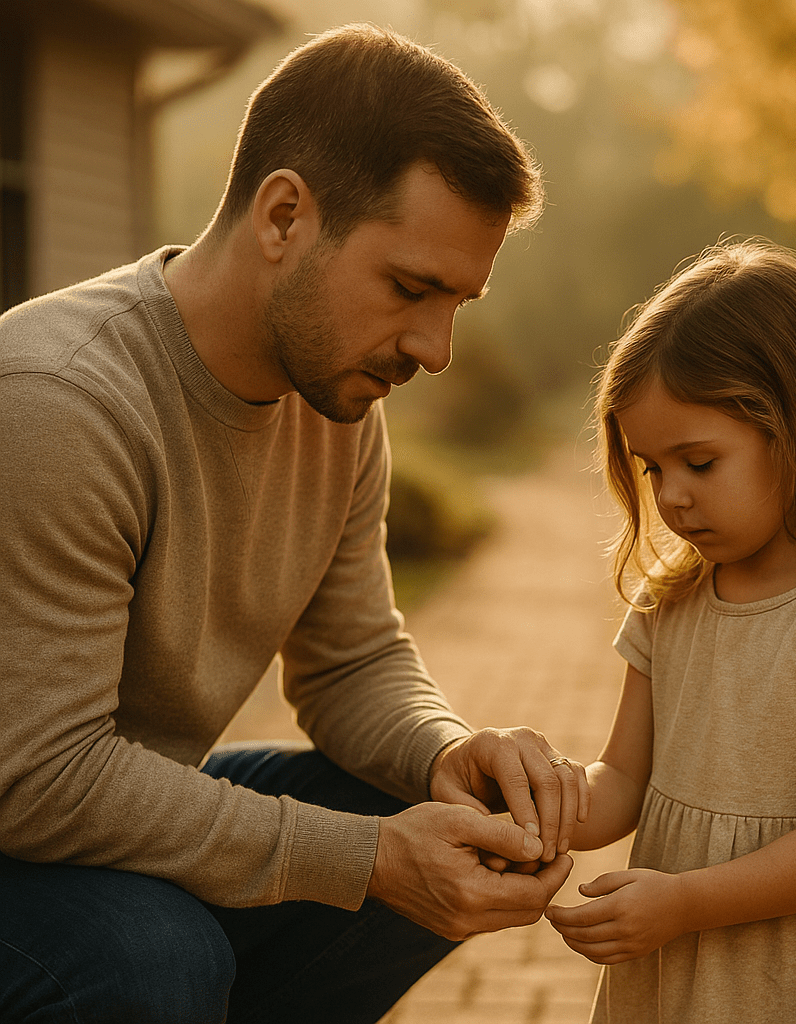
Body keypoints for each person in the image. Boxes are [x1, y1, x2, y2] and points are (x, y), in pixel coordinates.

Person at [0, 24, 588, 1024]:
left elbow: (352, 657)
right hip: (26, 816)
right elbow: (42, 777)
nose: (435, 349)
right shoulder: (61, 400)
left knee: (446, 824)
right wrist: (362, 860)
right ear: (284, 216)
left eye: (457, 302)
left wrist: (448, 755)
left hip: (79, 829)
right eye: (411, 288)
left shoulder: (337, 401)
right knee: (155, 954)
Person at [545, 239, 796, 1022]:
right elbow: (621, 781)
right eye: (653, 468)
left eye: (700, 462)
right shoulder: (669, 604)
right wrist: (535, 807)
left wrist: (684, 903)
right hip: (672, 980)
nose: (672, 498)